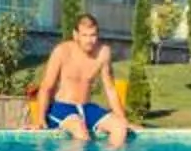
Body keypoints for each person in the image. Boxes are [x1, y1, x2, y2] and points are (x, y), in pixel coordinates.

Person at [32, 12, 130, 142]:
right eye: (85, 35)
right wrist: (40, 119)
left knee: (120, 127)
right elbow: (46, 87)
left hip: (87, 107)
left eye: (93, 35)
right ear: (76, 35)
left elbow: (110, 89)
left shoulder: (103, 53)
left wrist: (122, 118)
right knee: (80, 131)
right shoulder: (62, 51)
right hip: (63, 108)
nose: (89, 40)